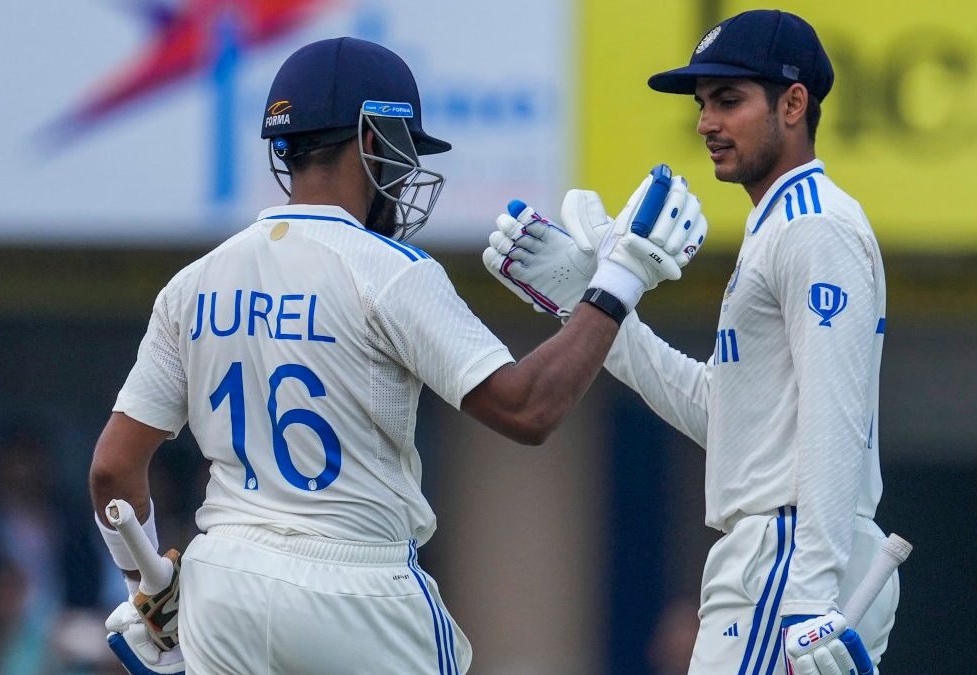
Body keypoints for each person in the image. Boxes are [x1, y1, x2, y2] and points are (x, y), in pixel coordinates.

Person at [87, 36, 707, 675]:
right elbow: (528, 410)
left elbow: (112, 469)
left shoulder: (192, 284)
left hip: (225, 582)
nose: (407, 171)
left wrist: (149, 586)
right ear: (371, 138)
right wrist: (618, 280)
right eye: (403, 149)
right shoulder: (389, 270)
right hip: (357, 584)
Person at [485, 10, 898, 675]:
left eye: (729, 100)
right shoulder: (779, 225)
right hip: (777, 552)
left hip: (788, 556)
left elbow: (835, 415)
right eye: (703, 104)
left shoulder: (812, 225)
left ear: (794, 104)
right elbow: (728, 418)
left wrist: (808, 596)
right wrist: (593, 303)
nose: (706, 122)